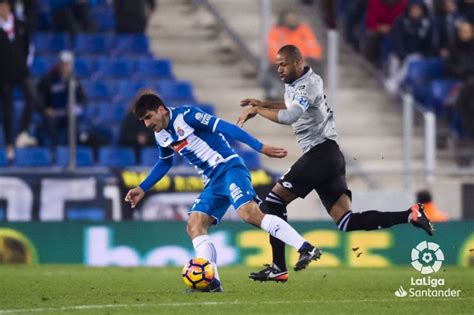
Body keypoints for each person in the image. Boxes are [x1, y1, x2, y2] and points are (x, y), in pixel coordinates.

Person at [238, 45, 434, 283]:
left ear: (298, 62)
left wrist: (258, 110)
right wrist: (265, 104)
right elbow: (292, 106)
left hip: (320, 153)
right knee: (346, 220)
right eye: (277, 64)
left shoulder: (309, 83)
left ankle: (279, 266)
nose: (278, 69)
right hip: (330, 157)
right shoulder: (296, 84)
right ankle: (410, 215)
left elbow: (290, 116)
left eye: (283, 64)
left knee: (274, 200)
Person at [124, 92, 322, 292]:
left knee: (249, 213)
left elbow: (225, 127)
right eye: (143, 121)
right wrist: (142, 187)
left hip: (229, 168)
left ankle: (305, 247)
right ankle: (211, 283)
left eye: (148, 117)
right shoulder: (161, 135)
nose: (147, 124)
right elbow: (165, 162)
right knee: (194, 225)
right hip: (212, 181)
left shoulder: (188, 116)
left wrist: (259, 147)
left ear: (161, 110)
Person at [0, 0, 37, 160]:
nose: (3, 8)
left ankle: (22, 132)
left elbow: (29, 47)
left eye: (5, 5)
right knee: (8, 109)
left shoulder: (21, 24)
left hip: (21, 71)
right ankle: (9, 144)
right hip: (3, 74)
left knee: (33, 96)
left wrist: (25, 65)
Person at [37, 50, 87, 146]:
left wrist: (77, 108)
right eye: (63, 64)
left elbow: (83, 99)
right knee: (48, 122)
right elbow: (39, 97)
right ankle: (55, 150)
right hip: (53, 114)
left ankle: (71, 149)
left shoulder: (75, 80)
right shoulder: (49, 79)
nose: (65, 67)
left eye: (67, 64)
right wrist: (44, 109)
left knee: (75, 123)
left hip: (68, 114)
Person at [384, 0, 435, 94]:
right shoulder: (400, 20)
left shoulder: (427, 23)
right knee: (395, 59)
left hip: (418, 55)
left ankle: (395, 82)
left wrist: (424, 54)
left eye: (418, 9)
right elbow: (397, 39)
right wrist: (402, 54)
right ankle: (393, 81)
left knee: (411, 60)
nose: (415, 11)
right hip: (401, 52)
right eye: (413, 9)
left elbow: (429, 43)